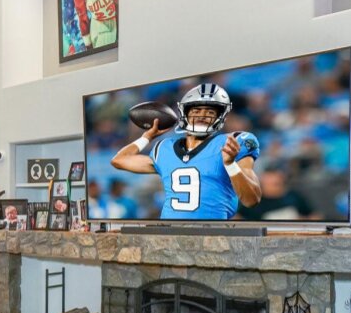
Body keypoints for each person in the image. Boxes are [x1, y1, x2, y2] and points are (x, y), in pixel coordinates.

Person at [111, 84, 262, 219]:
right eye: (196, 110)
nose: (202, 116)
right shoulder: (164, 148)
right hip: (170, 233)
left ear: (221, 116)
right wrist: (147, 137)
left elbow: (251, 200)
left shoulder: (233, 142)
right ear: (184, 113)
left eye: (210, 112)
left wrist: (230, 164)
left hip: (212, 234)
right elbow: (119, 160)